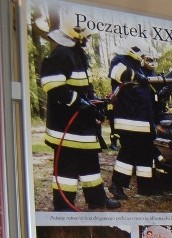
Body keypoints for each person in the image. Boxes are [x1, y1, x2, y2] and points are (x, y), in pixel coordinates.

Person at [40, 23, 119, 211]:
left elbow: (85, 89)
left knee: (90, 166)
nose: (88, 40)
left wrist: (95, 107)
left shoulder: (79, 55)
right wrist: (76, 101)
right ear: (76, 35)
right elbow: (52, 85)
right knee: (66, 171)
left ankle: (97, 199)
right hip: (66, 127)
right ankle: (63, 205)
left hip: (83, 126)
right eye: (86, 36)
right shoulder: (60, 55)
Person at [108, 42, 159, 199]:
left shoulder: (138, 66)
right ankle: (116, 185)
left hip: (143, 121)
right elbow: (118, 73)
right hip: (129, 120)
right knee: (128, 154)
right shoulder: (119, 60)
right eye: (142, 55)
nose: (144, 58)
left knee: (145, 154)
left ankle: (146, 189)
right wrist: (138, 76)